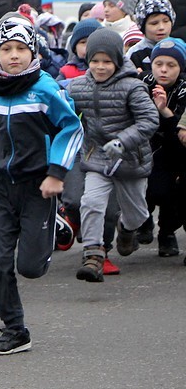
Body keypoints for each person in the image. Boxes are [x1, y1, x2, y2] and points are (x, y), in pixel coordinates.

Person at [0, 14, 83, 355]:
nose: (13, 55)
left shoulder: (45, 89)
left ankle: (51, 226)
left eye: (21, 49)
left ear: (33, 51)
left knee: (30, 268)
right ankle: (15, 329)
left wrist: (56, 174)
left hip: (38, 185)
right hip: (0, 185)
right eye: (6, 49)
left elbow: (71, 129)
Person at [68, 29, 158, 282]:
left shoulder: (132, 86)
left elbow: (149, 120)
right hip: (97, 157)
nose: (100, 67)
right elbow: (60, 104)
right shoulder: (80, 85)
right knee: (91, 202)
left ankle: (127, 230)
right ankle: (94, 254)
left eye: (107, 61)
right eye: (95, 61)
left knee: (137, 213)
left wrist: (122, 141)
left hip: (130, 159)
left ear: (118, 60)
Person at [142, 39, 186, 256]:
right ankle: (143, 220)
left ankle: (167, 233)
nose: (164, 70)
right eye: (159, 64)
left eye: (171, 65)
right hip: (144, 148)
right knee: (148, 187)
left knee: (173, 192)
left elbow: (180, 134)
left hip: (175, 151)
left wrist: (165, 110)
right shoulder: (143, 82)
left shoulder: (184, 89)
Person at [128, 0, 175, 71]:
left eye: (166, 21)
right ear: (143, 27)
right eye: (154, 23)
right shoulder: (134, 53)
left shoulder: (180, 48)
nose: (161, 27)